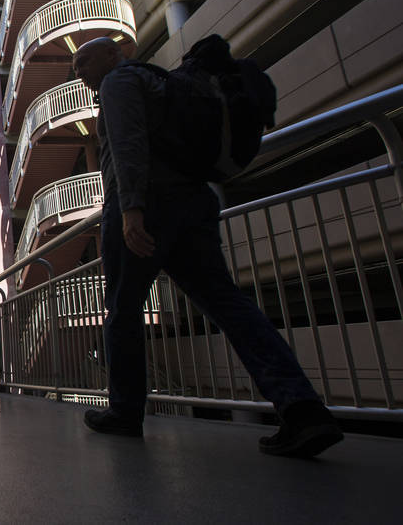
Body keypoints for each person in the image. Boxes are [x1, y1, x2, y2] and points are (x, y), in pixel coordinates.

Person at [72, 37, 342, 457]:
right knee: (228, 304)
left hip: (146, 205)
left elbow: (127, 146)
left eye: (83, 60)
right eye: (75, 66)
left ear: (114, 54)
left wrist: (131, 210)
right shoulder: (162, 83)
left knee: (123, 311)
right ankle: (303, 409)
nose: (78, 70)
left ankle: (125, 412)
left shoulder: (118, 82)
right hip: (193, 204)